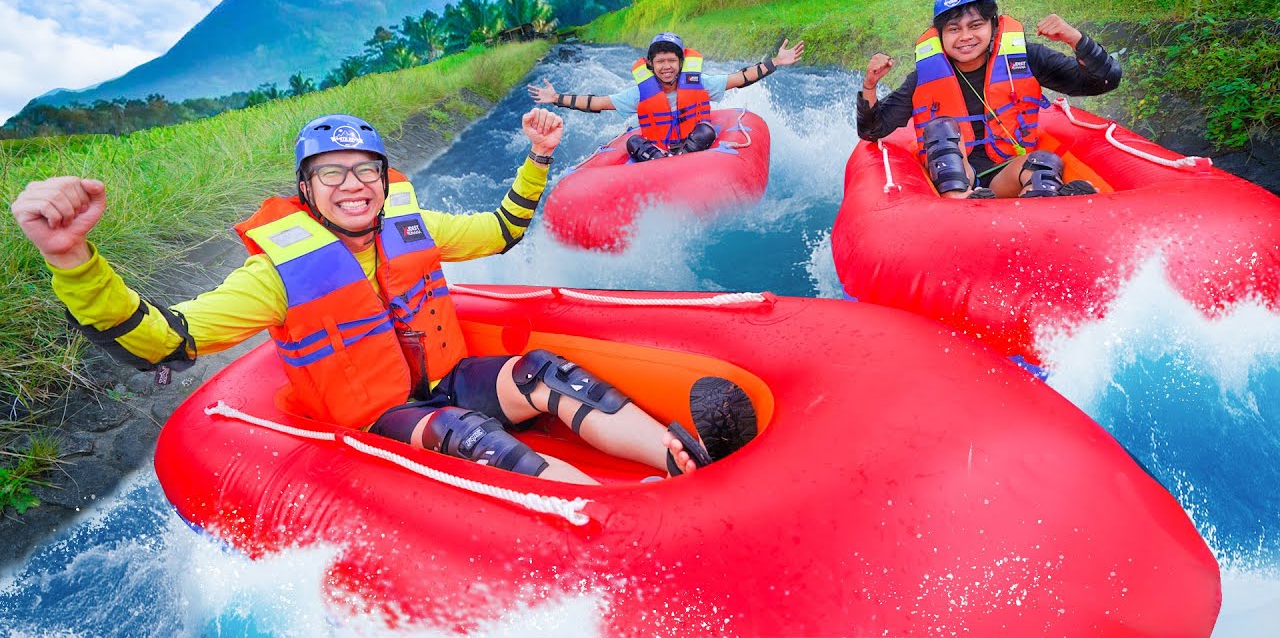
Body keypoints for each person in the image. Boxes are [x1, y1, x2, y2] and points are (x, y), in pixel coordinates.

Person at [10, 110, 757, 484]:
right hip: (378, 412)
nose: (353, 184)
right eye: (331, 174)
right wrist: (75, 261)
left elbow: (502, 230)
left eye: (365, 170)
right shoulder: (277, 272)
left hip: (444, 375)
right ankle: (618, 517)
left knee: (550, 374)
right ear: (306, 192)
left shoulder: (414, 226)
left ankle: (680, 466)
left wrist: (538, 159)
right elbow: (166, 338)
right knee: (476, 441)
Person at [857, 0, 1122, 199]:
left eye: (976, 25)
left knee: (1044, 163)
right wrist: (870, 85)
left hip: (1006, 175)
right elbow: (873, 130)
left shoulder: (1025, 59)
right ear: (940, 36)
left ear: (993, 25)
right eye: (954, 29)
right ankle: (964, 204)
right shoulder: (924, 78)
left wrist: (1073, 38)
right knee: (941, 133)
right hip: (953, 179)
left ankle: (1045, 207)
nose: (965, 37)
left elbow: (1103, 81)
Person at [528, 32, 805, 162]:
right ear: (650, 65)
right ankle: (662, 161)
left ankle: (679, 159)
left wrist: (775, 63)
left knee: (706, 129)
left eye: (672, 61)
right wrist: (556, 98)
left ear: (680, 63)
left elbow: (740, 78)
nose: (667, 67)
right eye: (660, 62)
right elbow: (599, 103)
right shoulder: (640, 93)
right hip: (657, 149)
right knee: (634, 141)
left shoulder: (700, 83)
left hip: (693, 146)